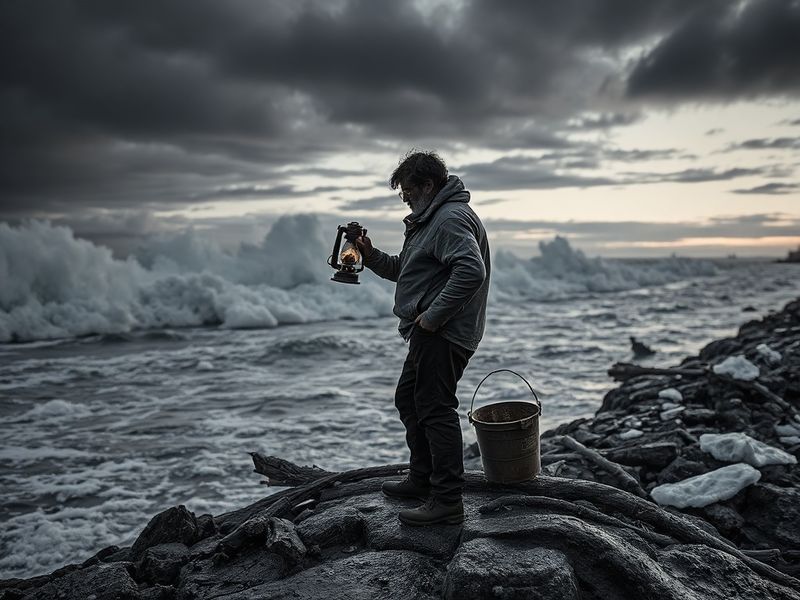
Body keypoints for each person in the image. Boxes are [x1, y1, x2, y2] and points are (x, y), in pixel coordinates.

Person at [356, 151, 490, 526]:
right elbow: (407, 270)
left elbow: (470, 271)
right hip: (432, 330)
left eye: (408, 192)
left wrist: (431, 319)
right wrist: (370, 255)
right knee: (410, 399)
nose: (406, 200)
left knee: (434, 406)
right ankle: (422, 479)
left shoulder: (447, 218)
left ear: (428, 185)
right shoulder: (431, 220)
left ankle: (447, 500)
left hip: (443, 331)